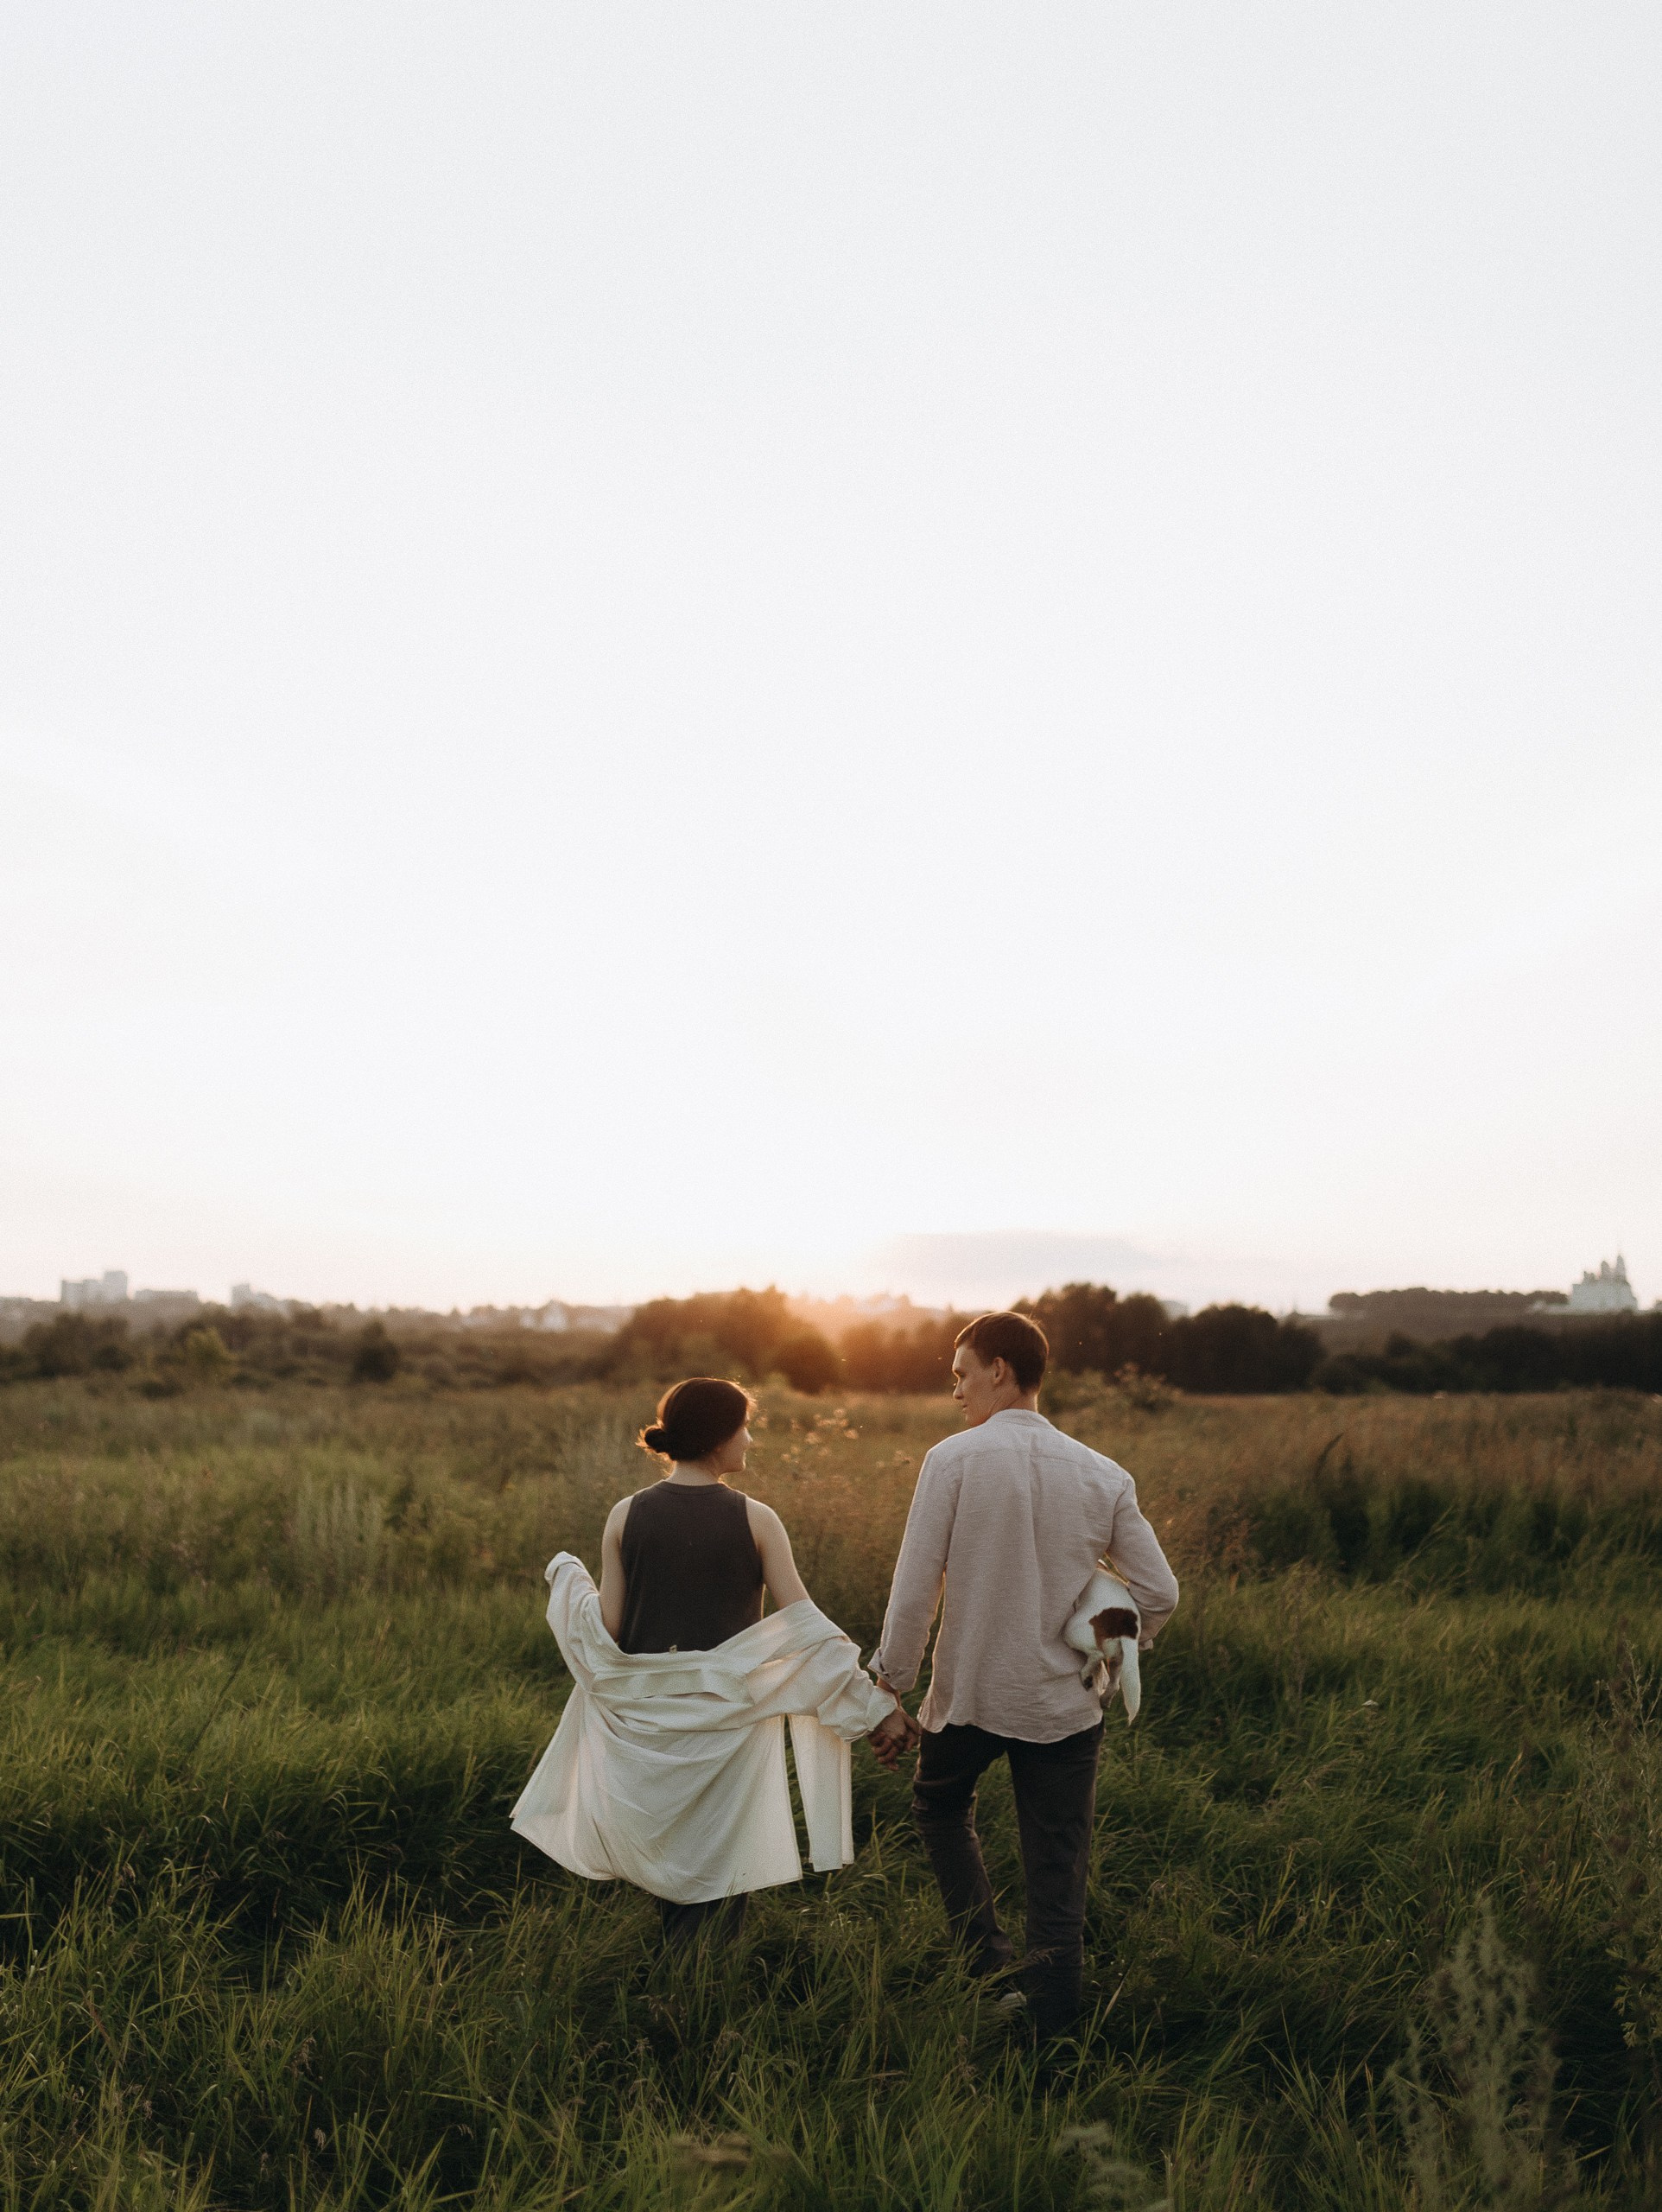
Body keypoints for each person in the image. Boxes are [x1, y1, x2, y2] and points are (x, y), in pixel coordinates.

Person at [511, 1376, 911, 1949]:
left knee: (673, 1863)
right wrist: (879, 1711)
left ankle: (681, 1988)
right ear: (720, 1437)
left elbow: (611, 1632)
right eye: (745, 1428)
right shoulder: (758, 1519)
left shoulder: (625, 1516)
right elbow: (809, 1633)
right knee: (719, 1867)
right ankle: (696, 1997)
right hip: (725, 1726)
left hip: (647, 1728)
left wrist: (572, 1588)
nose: (750, 1440)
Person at [871, 1312, 1179, 2046]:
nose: (956, 1393)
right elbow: (1160, 1593)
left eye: (962, 1375)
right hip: (1065, 1707)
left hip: (969, 1694)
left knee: (941, 1814)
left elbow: (915, 1590)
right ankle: (1052, 2037)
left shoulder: (952, 1461)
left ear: (1000, 1371)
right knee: (1058, 1869)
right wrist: (1107, 1655)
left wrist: (889, 1687)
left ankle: (985, 1969)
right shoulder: (1104, 1474)